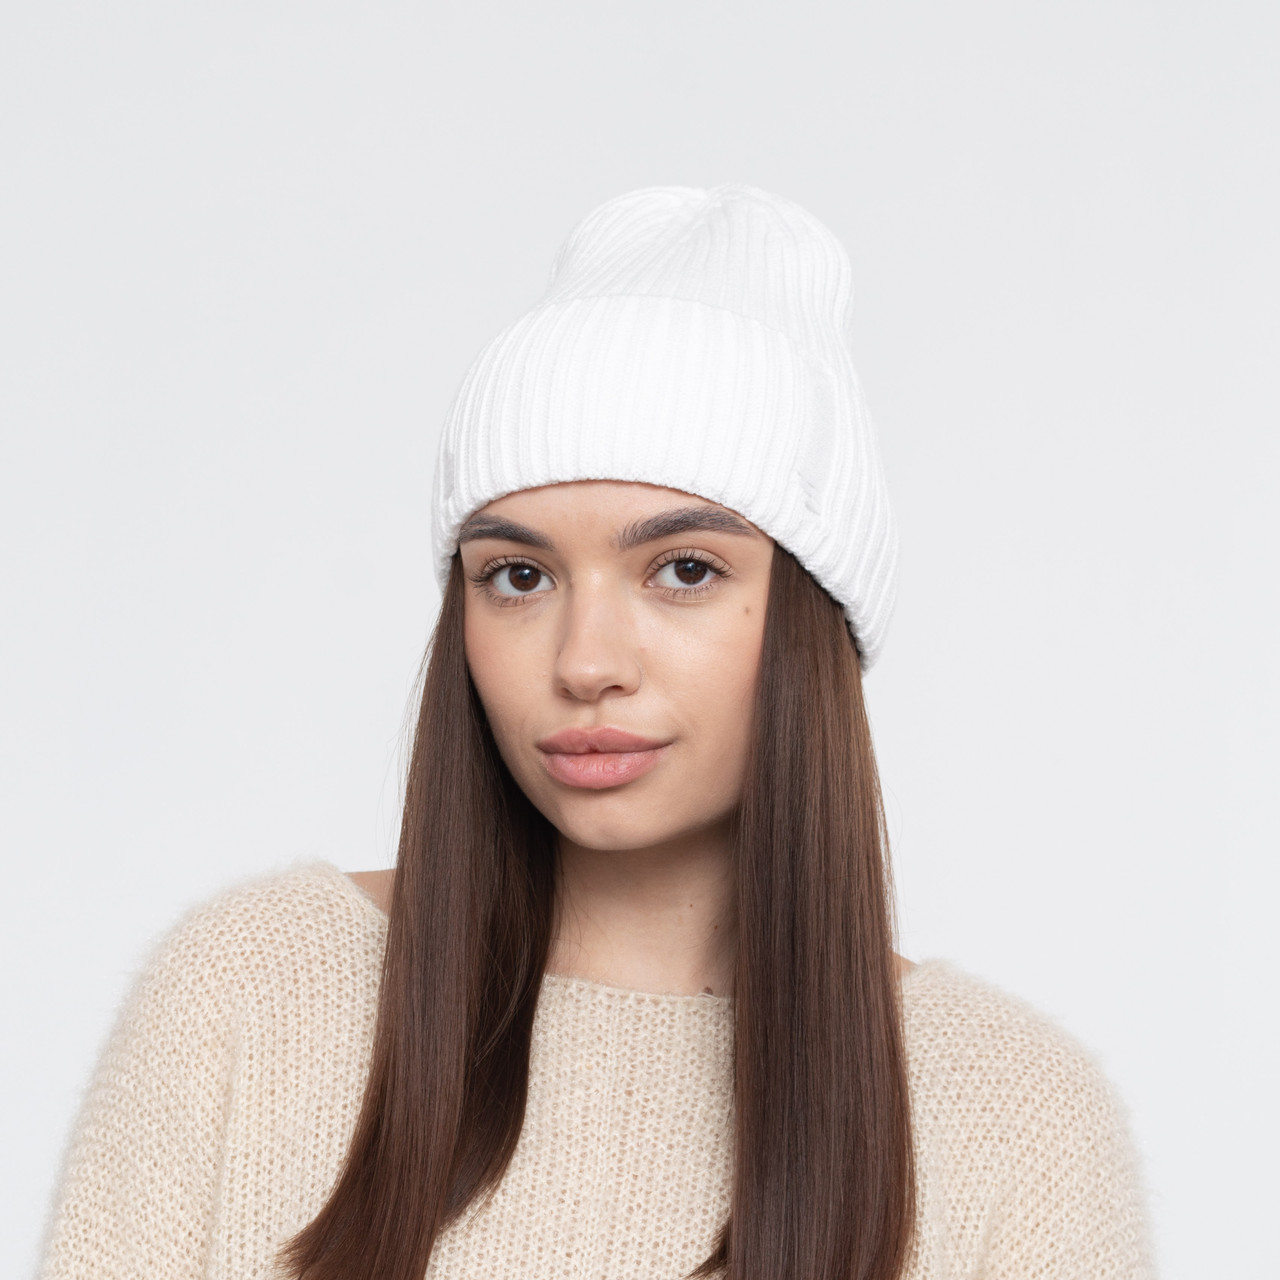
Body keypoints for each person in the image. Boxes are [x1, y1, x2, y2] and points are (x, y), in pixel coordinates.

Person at [35, 185, 1157, 1280]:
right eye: (518, 576)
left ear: (812, 620)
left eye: (684, 570)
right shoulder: (249, 990)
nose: (583, 661)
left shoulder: (1015, 1121)